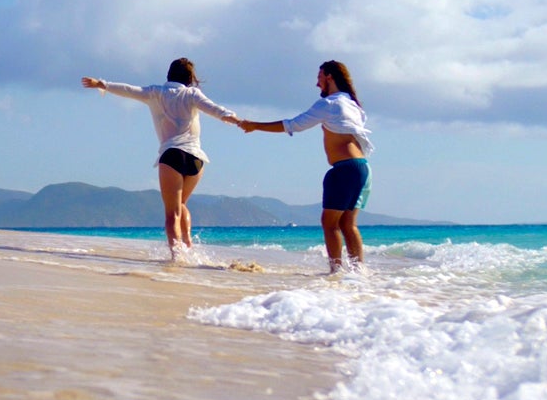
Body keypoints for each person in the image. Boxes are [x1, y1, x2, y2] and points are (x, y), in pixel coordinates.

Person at [82, 58, 240, 255]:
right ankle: (189, 246)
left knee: (171, 213)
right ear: (190, 78)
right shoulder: (192, 93)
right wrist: (235, 119)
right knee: (181, 205)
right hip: (196, 158)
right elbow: (214, 108)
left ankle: (177, 256)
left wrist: (102, 83)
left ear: (169, 75)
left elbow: (129, 90)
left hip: (172, 155)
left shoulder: (155, 92)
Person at [238, 60, 373, 273]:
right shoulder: (353, 105)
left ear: (329, 77)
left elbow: (293, 125)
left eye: (319, 77)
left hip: (344, 170)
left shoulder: (329, 104)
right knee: (348, 225)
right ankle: (359, 273)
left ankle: (336, 272)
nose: (317, 84)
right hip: (363, 168)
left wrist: (255, 125)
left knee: (330, 224)